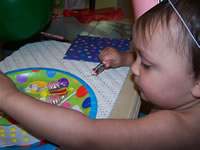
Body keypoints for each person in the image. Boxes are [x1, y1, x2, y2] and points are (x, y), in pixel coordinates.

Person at [0, 0, 200, 149]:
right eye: (137, 55)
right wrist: (124, 57)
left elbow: (86, 135)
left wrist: (8, 96)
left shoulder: (174, 129)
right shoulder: (184, 91)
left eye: (146, 64)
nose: (135, 68)